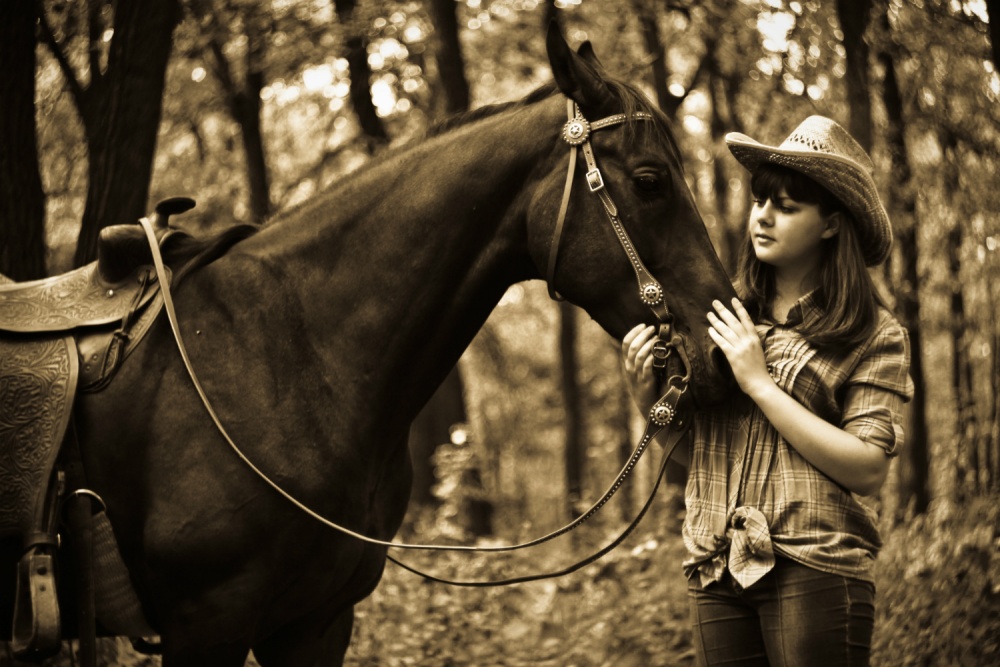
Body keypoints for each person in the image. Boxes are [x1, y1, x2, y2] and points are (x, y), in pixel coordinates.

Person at [622, 116, 913, 666]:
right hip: (715, 568)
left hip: (814, 568)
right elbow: (703, 457)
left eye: (787, 206)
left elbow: (868, 469)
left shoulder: (874, 332)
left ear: (831, 225)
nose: (763, 216)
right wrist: (649, 405)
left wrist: (759, 384)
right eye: (760, 201)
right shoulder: (720, 315)